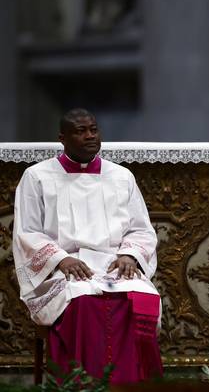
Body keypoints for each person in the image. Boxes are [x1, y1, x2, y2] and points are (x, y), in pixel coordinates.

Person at [12, 108, 162, 383]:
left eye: (93, 129)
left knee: (140, 299)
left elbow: (141, 228)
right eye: (80, 131)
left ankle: (136, 383)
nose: (90, 136)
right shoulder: (36, 177)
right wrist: (60, 258)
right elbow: (28, 232)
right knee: (83, 302)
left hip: (114, 265)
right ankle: (80, 384)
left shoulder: (121, 176)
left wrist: (129, 254)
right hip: (64, 268)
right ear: (62, 138)